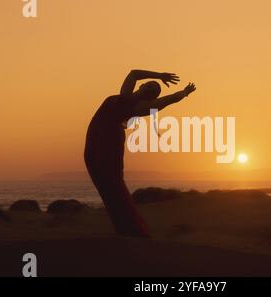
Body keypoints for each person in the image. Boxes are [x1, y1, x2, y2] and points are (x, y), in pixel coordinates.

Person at [84, 70, 196, 237]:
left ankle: (133, 231)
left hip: (109, 143)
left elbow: (169, 99)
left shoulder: (140, 108)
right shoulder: (125, 95)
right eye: (150, 84)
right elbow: (133, 73)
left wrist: (184, 93)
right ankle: (126, 229)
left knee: (114, 186)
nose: (152, 87)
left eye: (155, 90)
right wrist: (160, 76)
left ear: (151, 98)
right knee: (104, 184)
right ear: (142, 85)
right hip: (94, 139)